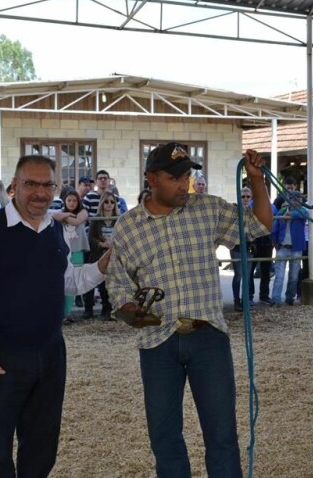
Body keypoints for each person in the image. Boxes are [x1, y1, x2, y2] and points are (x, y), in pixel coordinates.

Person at [106, 142, 272, 477]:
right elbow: (117, 284)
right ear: (151, 178)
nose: (185, 184)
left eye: (187, 176)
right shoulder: (128, 226)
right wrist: (130, 310)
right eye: (174, 177)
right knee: (165, 439)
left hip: (208, 336)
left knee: (222, 435)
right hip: (156, 343)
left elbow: (260, 225)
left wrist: (257, 180)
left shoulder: (208, 209)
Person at [0, 155, 110, 477]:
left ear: (56, 188)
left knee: (41, 447)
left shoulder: (56, 230)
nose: (39, 192)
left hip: (50, 354)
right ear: (14, 187)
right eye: (30, 184)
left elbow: (68, 282)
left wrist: (105, 264)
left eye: (47, 185)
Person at [52, 189, 89, 323]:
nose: (72, 203)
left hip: (77, 250)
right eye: (69, 200)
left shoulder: (83, 212)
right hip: (63, 251)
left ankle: (67, 312)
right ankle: (60, 313)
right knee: (61, 282)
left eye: (74, 200)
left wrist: (65, 216)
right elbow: (52, 216)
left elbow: (76, 221)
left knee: (72, 282)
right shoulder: (61, 212)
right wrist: (67, 214)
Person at [85, 191, 120, 320]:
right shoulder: (96, 219)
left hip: (113, 256)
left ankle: (107, 309)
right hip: (98, 255)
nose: (109, 204)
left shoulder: (119, 219)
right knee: (93, 282)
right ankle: (88, 310)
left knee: (108, 285)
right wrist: (101, 244)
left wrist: (114, 245)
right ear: (101, 203)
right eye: (106, 201)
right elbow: (91, 237)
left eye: (112, 202)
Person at [271, 190, 308, 306]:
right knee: (279, 276)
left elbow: (304, 214)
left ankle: (289, 298)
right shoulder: (281, 212)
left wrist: (289, 215)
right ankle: (275, 299)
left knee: (293, 276)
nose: (295, 202)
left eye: (298, 199)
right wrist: (275, 242)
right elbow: (275, 227)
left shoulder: (302, 211)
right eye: (292, 199)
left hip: (296, 248)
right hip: (282, 247)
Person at [230, 187, 254, 312]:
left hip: (249, 247)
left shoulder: (253, 211)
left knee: (247, 276)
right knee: (238, 275)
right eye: (243, 196)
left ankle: (246, 301)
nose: (245, 199)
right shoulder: (234, 211)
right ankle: (236, 301)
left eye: (247, 196)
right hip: (237, 247)